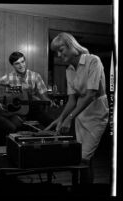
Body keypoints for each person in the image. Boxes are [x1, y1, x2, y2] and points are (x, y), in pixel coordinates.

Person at [45, 32, 109, 183]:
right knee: (80, 157)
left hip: (96, 113)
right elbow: (72, 100)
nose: (59, 55)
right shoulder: (69, 70)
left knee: (84, 158)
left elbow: (90, 95)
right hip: (81, 113)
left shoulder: (94, 61)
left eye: (61, 49)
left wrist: (69, 118)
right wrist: (60, 119)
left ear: (72, 45)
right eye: (56, 52)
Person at [0, 51, 56, 128]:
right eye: (17, 63)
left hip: (33, 108)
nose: (21, 65)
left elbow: (43, 96)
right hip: (17, 111)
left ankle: (55, 129)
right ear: (12, 65)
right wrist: (18, 89)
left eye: (22, 62)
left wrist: (49, 102)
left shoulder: (35, 76)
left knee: (44, 117)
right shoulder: (6, 78)